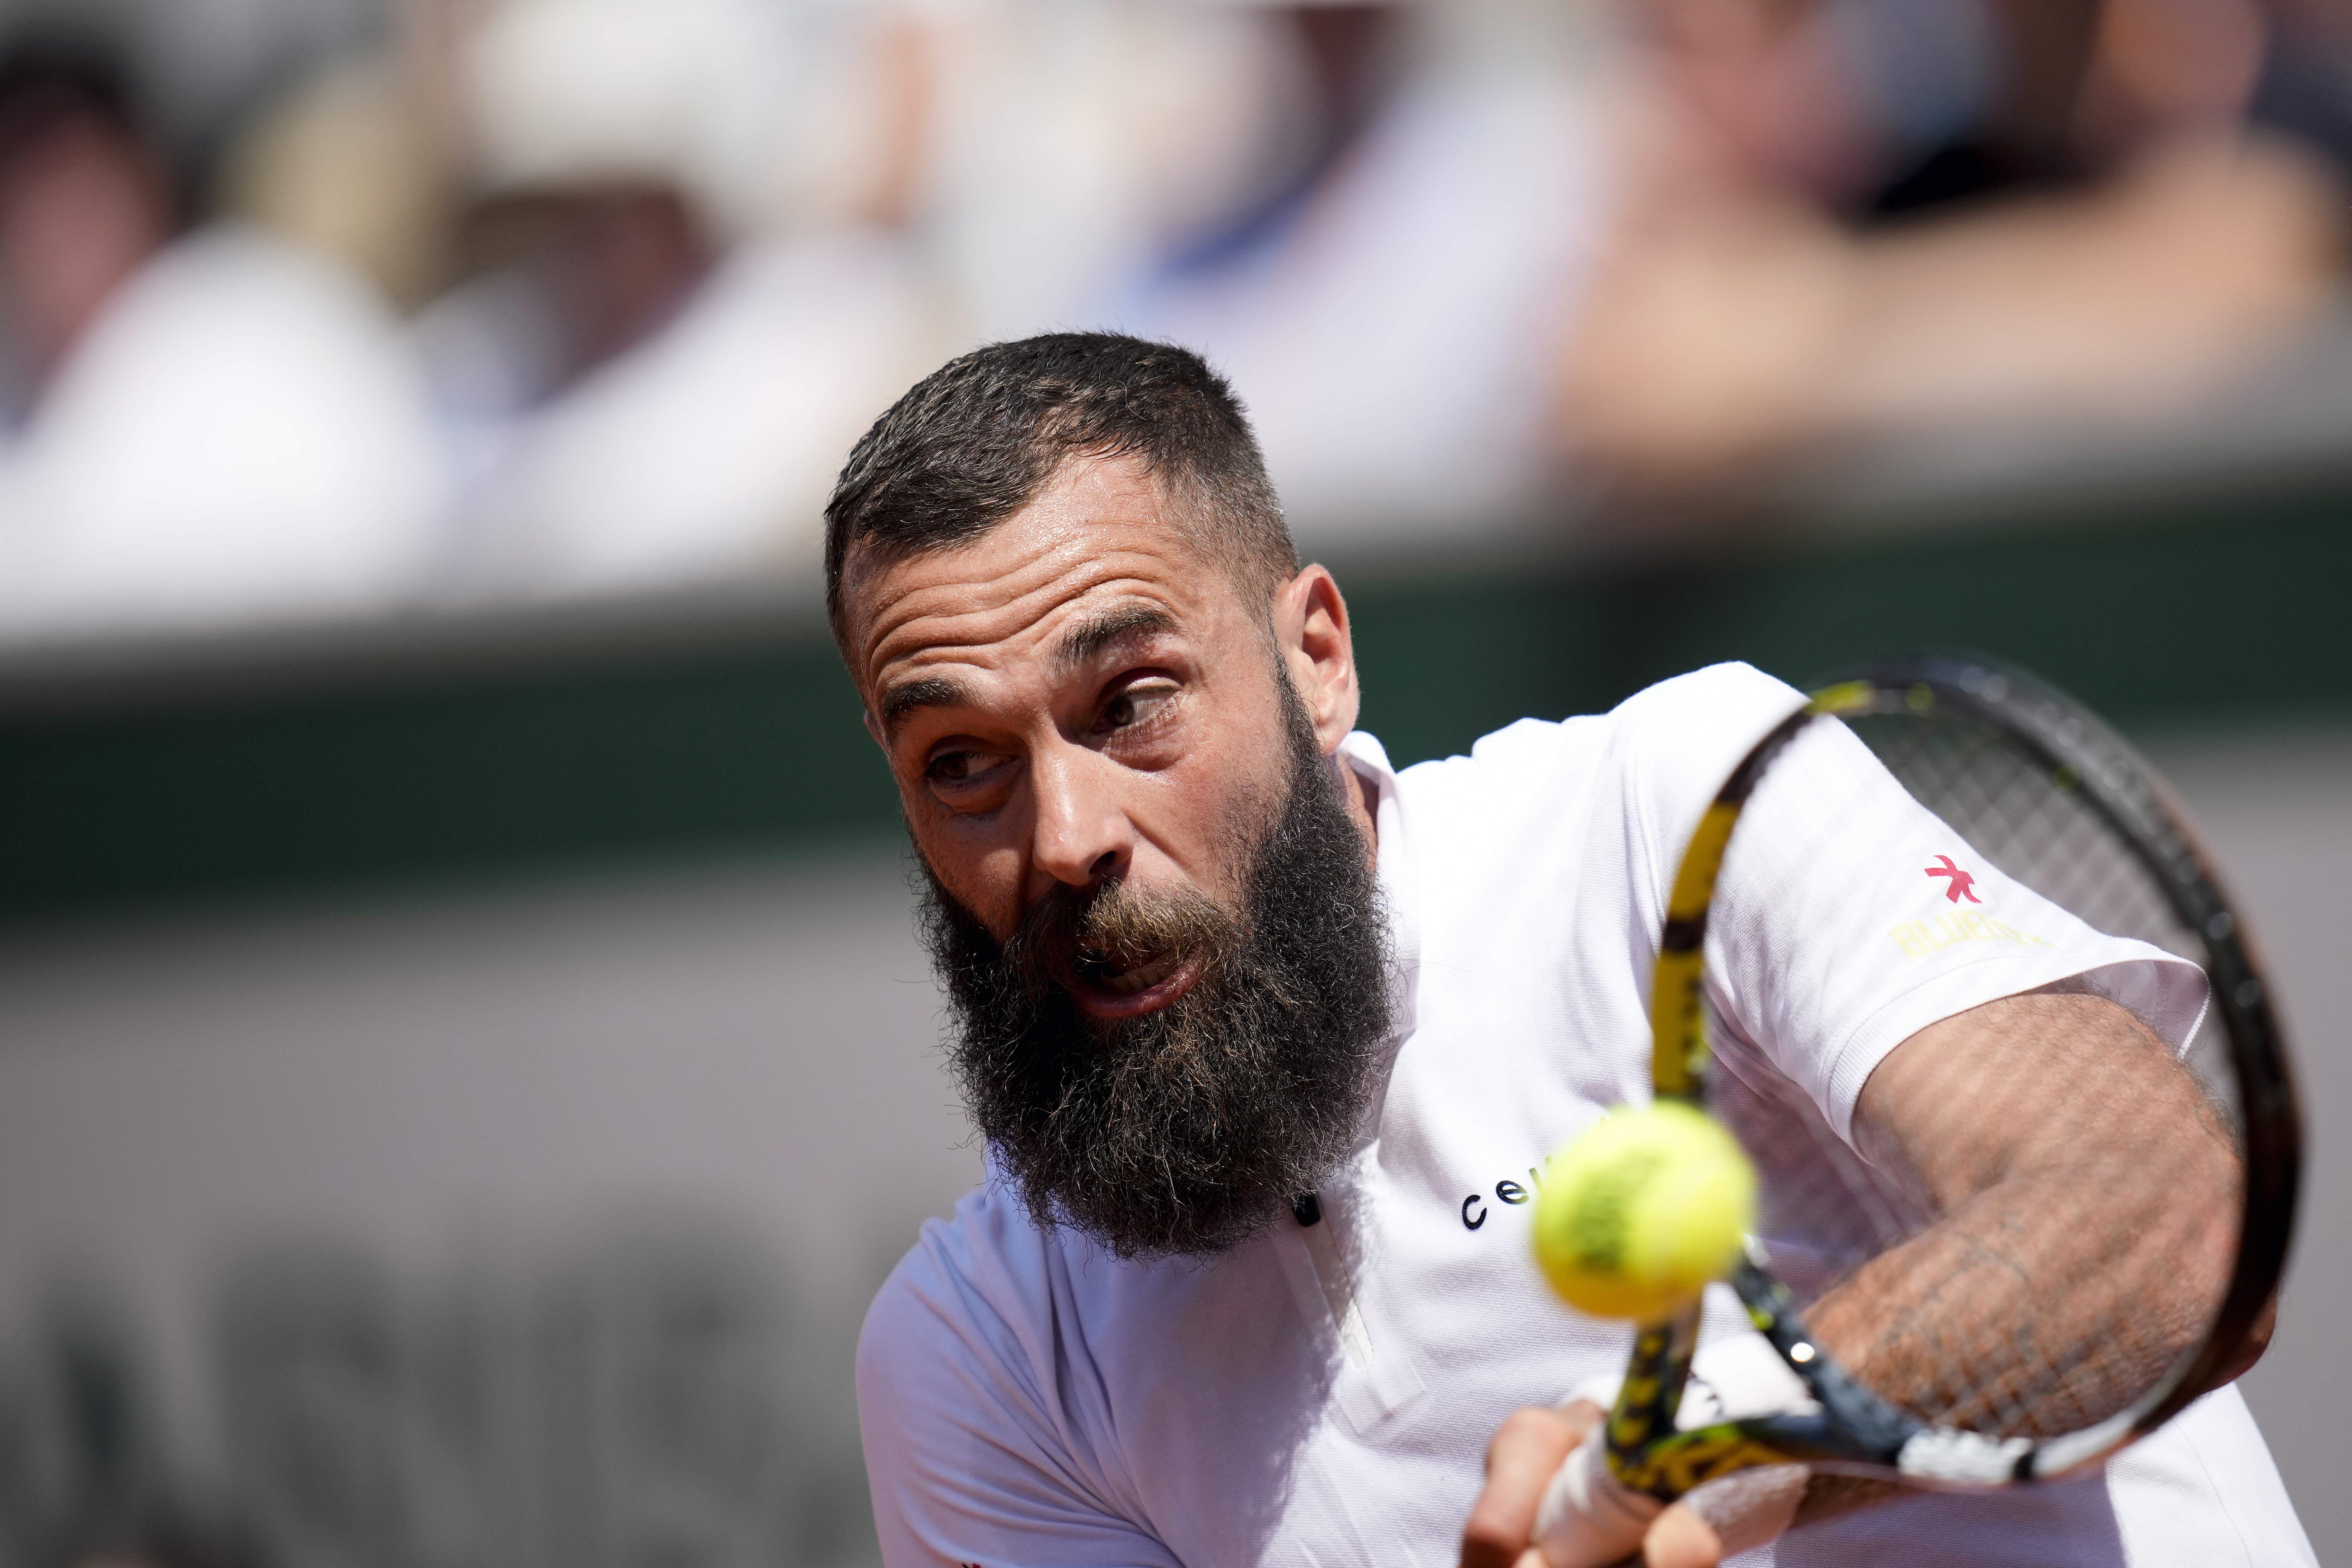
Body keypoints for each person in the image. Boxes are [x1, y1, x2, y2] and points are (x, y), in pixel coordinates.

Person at [832, 333, 2313, 1567]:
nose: (1067, 832)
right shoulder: (978, 1357)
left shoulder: (1675, 808)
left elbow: (2173, 1233)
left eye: (1134, 700)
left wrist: (1706, 1446)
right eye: (962, 763)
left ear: (1316, 660)